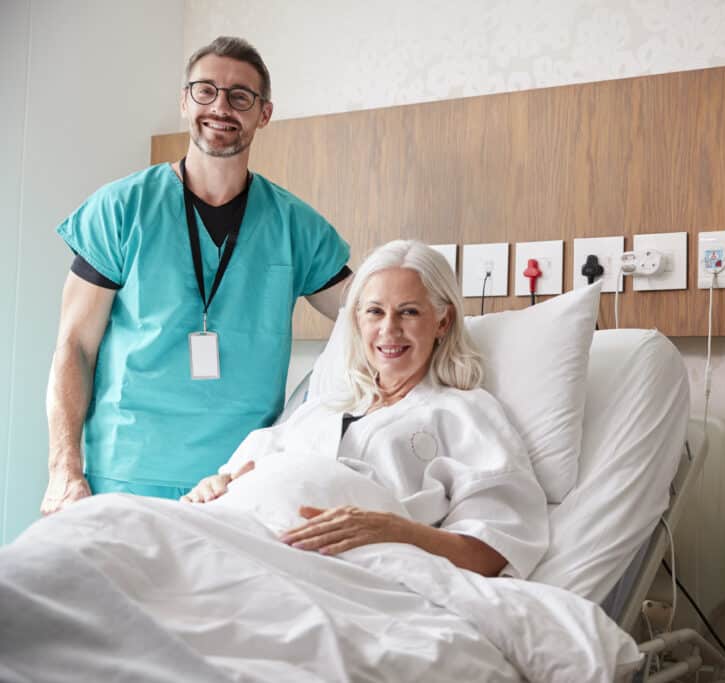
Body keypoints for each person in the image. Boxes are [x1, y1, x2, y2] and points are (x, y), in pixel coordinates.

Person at [41, 36, 352, 514]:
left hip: (237, 482)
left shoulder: (295, 225)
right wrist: (65, 470)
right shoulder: (122, 209)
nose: (221, 106)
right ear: (185, 101)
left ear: (263, 113)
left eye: (240, 96)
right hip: (124, 471)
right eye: (206, 91)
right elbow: (74, 346)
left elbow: (368, 320)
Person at [181, 240, 548, 577]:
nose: (389, 330)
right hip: (240, 540)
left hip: (340, 573)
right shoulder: (322, 407)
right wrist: (217, 485)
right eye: (375, 311)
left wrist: (397, 531)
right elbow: (236, 474)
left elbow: (492, 549)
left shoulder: (464, 413)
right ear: (358, 320)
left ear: (443, 321)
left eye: (408, 312)